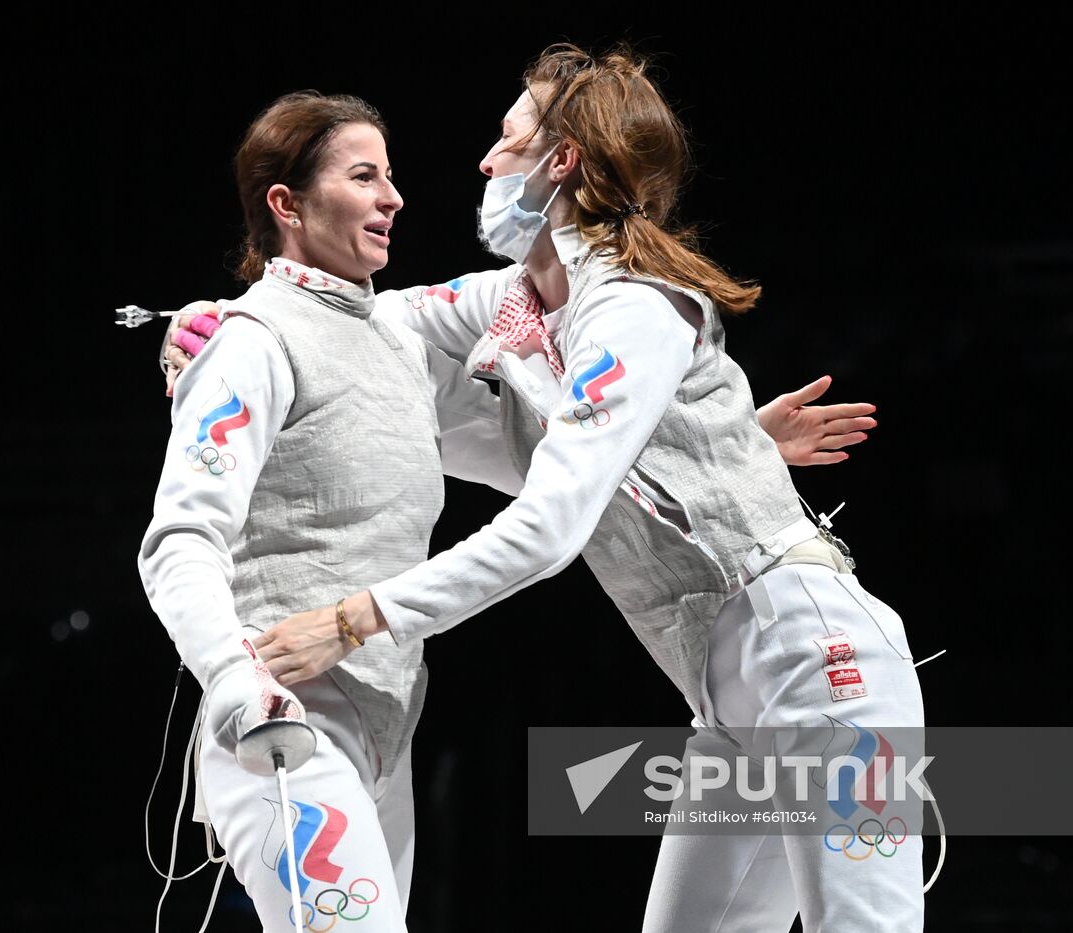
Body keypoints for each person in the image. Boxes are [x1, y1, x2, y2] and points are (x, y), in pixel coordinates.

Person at [169, 45, 925, 932]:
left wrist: (352, 618)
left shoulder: (637, 303)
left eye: (507, 138)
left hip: (821, 663)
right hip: (730, 706)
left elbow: (549, 527)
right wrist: (213, 319)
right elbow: (353, 318)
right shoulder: (517, 301)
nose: (485, 162)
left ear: (561, 159)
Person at [138, 90, 522, 933]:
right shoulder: (251, 341)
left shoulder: (397, 341)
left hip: (386, 728)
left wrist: (732, 439)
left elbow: (545, 465)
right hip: (285, 718)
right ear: (287, 203)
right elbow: (178, 540)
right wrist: (238, 682)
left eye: (390, 176)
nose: (393, 198)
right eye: (363, 176)